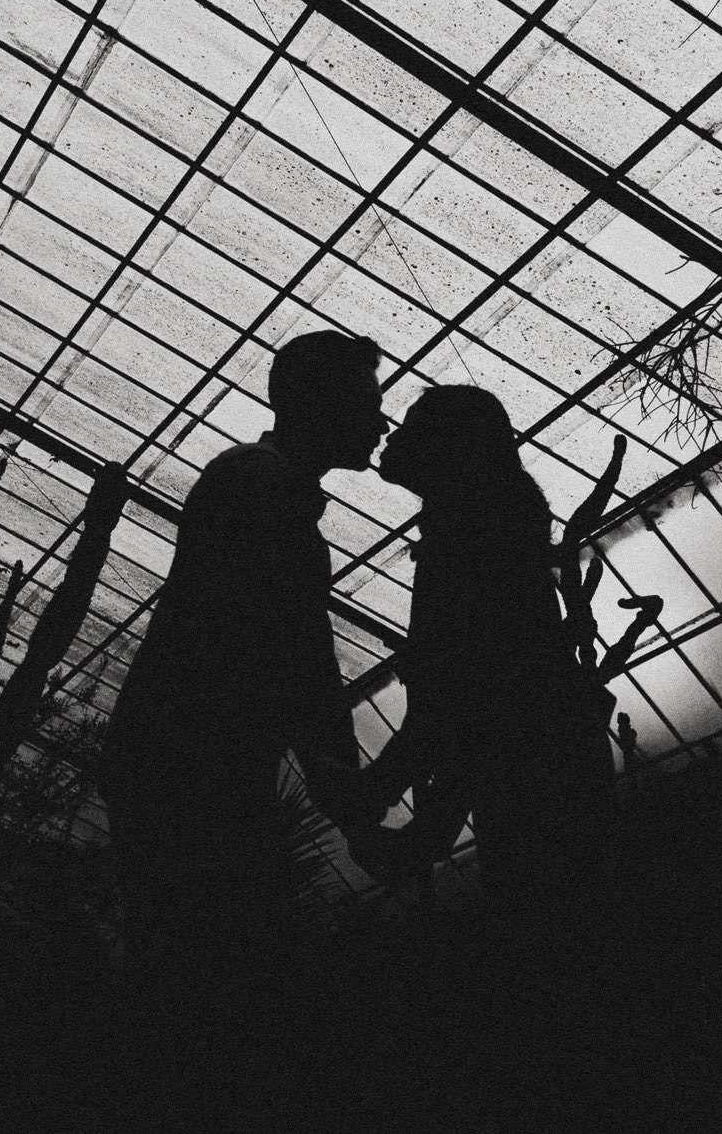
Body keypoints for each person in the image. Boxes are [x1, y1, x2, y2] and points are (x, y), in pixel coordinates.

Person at [95, 330, 390, 970]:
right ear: (324, 404)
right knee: (213, 963)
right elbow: (297, 651)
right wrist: (343, 788)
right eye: (369, 405)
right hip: (192, 770)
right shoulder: (264, 487)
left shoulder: (254, 479)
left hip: (178, 761)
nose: (381, 423)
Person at [348, 385, 613, 902]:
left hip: (537, 785)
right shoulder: (487, 521)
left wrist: (383, 792)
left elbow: (468, 695)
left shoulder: (469, 537)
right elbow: (478, 703)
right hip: (548, 773)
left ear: (450, 448)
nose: (395, 436)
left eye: (413, 427)